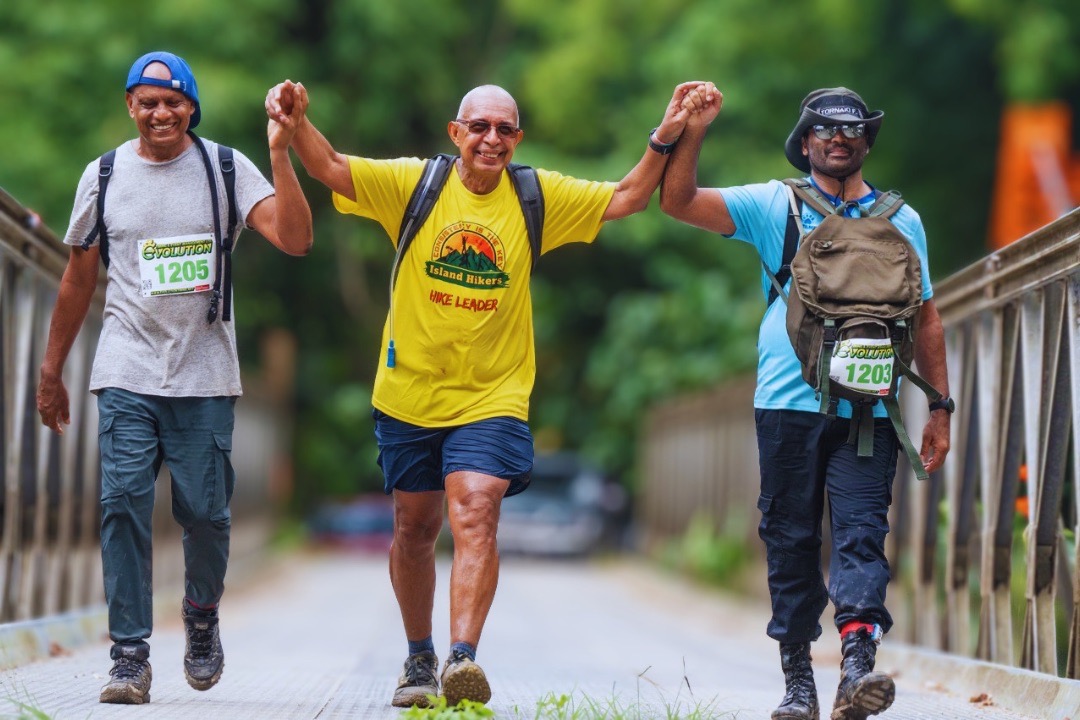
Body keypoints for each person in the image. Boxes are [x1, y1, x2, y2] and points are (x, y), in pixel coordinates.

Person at [264, 79, 696, 707]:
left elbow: (631, 196)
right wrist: (297, 122)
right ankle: (419, 658)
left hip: (493, 392)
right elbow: (330, 168)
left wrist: (666, 132)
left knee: (476, 509)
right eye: (481, 127)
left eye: (505, 129)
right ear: (456, 132)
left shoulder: (535, 194)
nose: (492, 139)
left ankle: (462, 660)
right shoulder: (415, 185)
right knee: (414, 527)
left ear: (517, 139)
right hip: (408, 389)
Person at [661, 85, 952, 720]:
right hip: (786, 404)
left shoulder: (903, 219)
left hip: (869, 409)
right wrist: (692, 131)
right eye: (824, 130)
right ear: (806, 142)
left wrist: (939, 406)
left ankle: (855, 670)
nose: (838, 139)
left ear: (866, 143)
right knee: (790, 539)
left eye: (851, 132)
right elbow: (676, 201)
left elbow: (927, 316)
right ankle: (799, 684)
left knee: (860, 537)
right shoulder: (776, 205)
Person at [36, 51, 313, 705]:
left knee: (207, 517)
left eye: (172, 102)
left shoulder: (224, 168)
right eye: (146, 101)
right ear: (130, 107)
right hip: (127, 367)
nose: (160, 113)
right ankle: (129, 654)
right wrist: (51, 370)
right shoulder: (103, 175)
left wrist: (280, 152)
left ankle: (201, 617)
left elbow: (297, 240)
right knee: (121, 506)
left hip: (206, 374)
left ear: (191, 107)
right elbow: (78, 276)